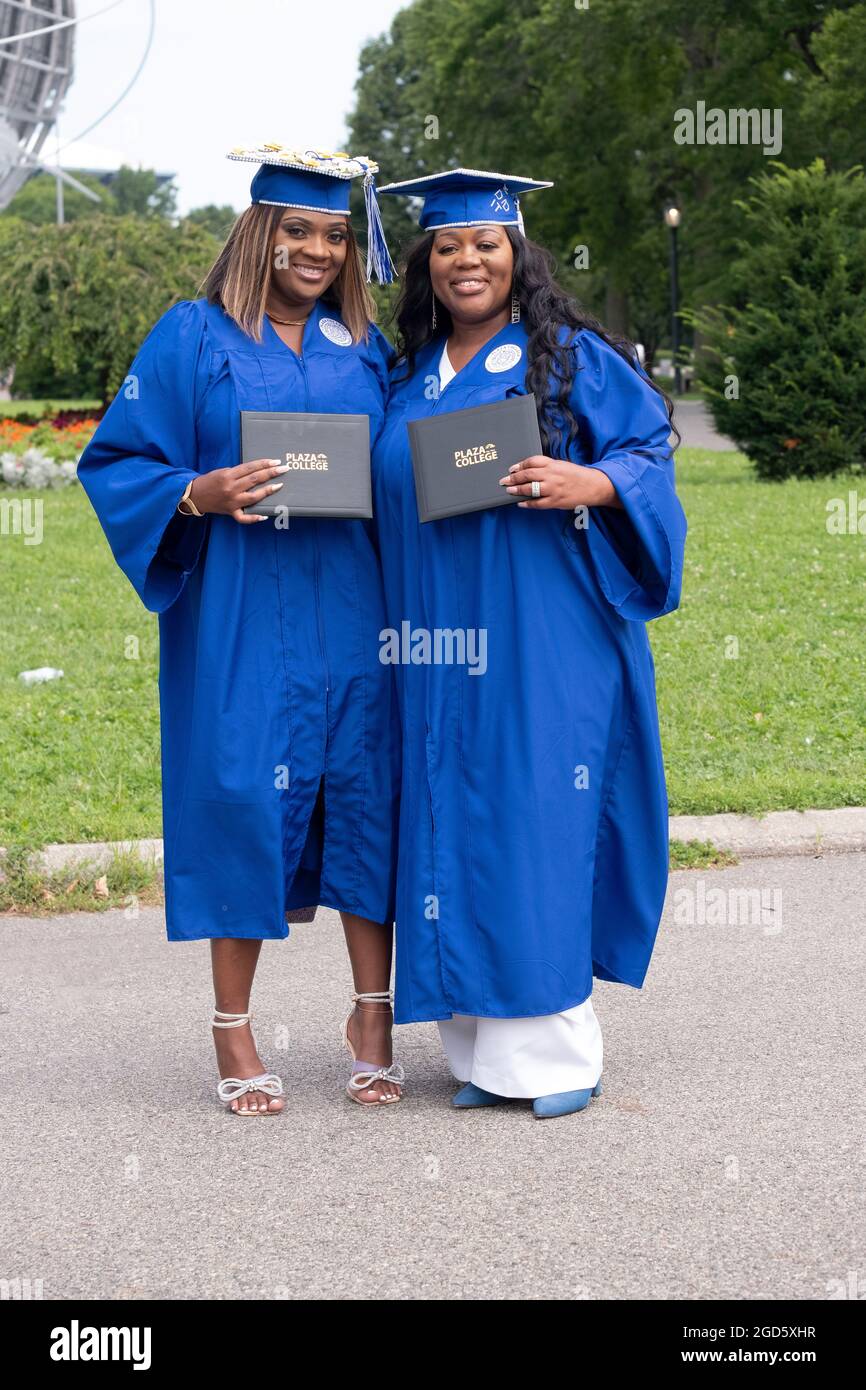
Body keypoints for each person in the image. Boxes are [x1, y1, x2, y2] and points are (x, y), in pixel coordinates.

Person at [78, 145, 404, 1113]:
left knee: (366, 801)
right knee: (238, 799)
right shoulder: (192, 337)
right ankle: (232, 1030)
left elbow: (404, 467)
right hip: (238, 615)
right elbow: (117, 457)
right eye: (298, 230)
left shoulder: (366, 349)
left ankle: (372, 1019)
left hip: (356, 610)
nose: (316, 249)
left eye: (336, 234)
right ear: (260, 233)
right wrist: (195, 490)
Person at [372, 167, 687, 1118]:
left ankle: (556, 1061)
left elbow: (647, 452)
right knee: (449, 815)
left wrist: (594, 485)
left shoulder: (570, 358)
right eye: (448, 247)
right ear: (426, 264)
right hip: (433, 642)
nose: (467, 261)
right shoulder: (409, 375)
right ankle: (480, 1056)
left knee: (531, 818)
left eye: (487, 244)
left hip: (542, 633)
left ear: (518, 257)